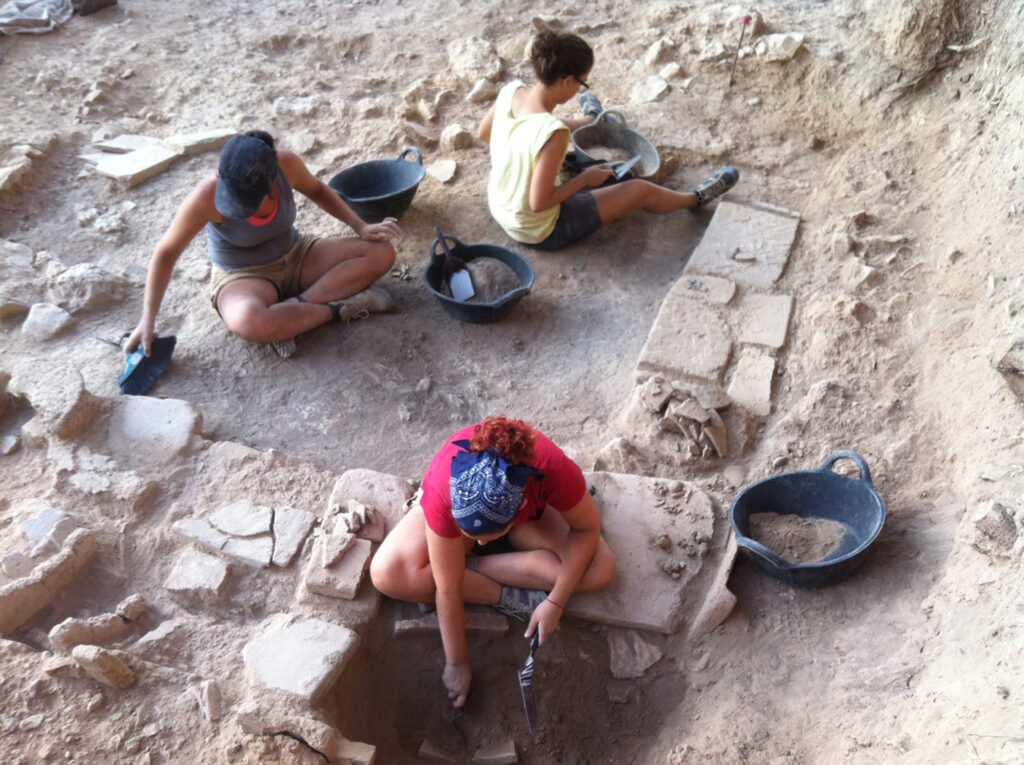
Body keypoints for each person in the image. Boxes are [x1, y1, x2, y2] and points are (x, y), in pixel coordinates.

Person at [370, 415, 616, 708]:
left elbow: (586, 529)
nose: (481, 543)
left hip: (532, 518)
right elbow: (447, 590)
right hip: (464, 514)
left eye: (488, 537)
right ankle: (507, 593)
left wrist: (555, 602)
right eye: (472, 537)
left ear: (520, 507)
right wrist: (457, 663)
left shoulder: (552, 467)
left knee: (601, 569)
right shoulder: (446, 491)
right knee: (388, 573)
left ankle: (477, 564)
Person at [125, 130, 400, 359]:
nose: (234, 208)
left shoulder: (285, 166)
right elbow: (166, 253)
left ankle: (292, 314)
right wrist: (147, 320)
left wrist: (360, 226)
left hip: (296, 253)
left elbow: (317, 189)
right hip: (243, 276)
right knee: (248, 321)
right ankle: (339, 309)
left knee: (381, 252)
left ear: (272, 184)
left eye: (245, 204)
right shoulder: (205, 196)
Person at [477, 31, 739, 251]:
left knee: (564, 159)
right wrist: (584, 180)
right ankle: (695, 199)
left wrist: (524, 157)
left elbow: (485, 133)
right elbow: (539, 203)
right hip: (535, 229)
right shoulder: (553, 133)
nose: (580, 89)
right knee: (639, 190)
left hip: (500, 205)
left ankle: (590, 119)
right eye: (582, 84)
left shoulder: (511, 91)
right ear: (568, 81)